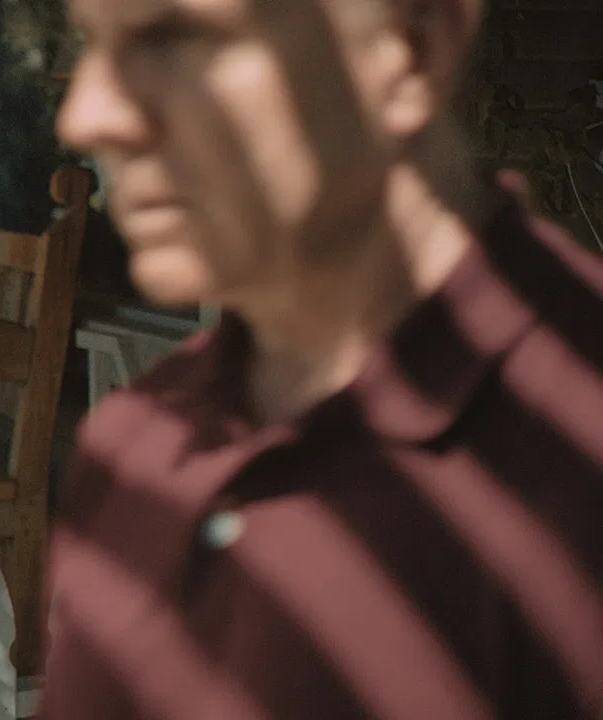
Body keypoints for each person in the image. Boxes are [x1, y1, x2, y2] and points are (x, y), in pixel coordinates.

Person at [39, 0, 603, 717]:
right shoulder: (131, 442)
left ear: (412, 48)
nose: (86, 117)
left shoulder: (577, 457)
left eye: (179, 36)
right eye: (90, 41)